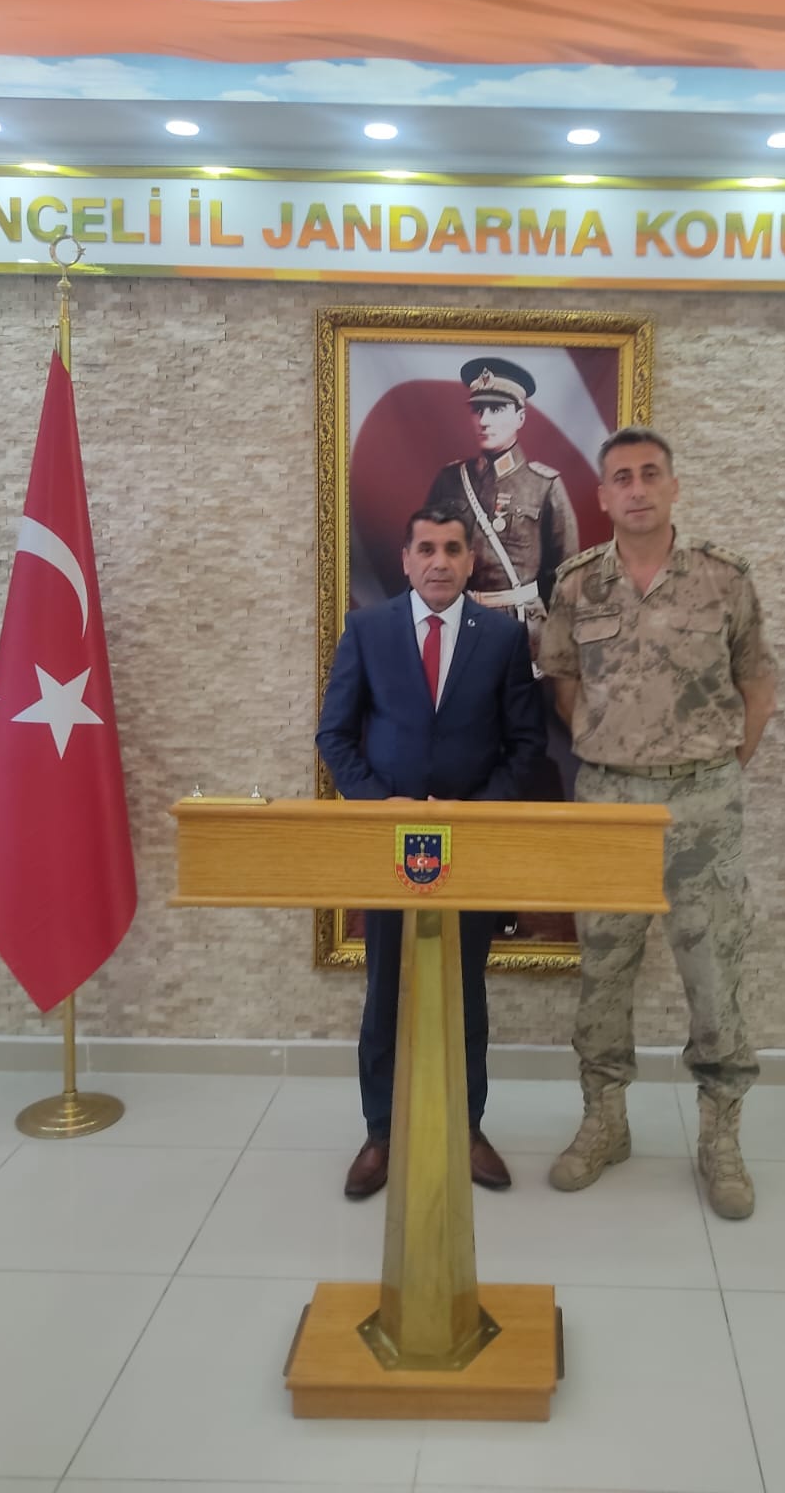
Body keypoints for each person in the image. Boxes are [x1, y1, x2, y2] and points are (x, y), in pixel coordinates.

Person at [537, 428, 778, 1220]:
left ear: (674, 486)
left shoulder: (723, 580)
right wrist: (622, 754)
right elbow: (564, 686)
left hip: (702, 803)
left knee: (714, 975)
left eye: (650, 474)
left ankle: (721, 1138)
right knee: (604, 969)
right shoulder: (578, 586)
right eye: (621, 478)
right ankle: (604, 1121)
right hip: (609, 805)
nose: (636, 489)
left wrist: (711, 767)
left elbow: (756, 685)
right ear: (602, 496)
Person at [316, 503, 546, 1200]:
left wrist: (474, 812)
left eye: (452, 548)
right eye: (427, 549)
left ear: (471, 560)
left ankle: (467, 1126)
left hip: (468, 845)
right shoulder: (368, 630)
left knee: (464, 990)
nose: (439, 561)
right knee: (386, 991)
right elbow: (335, 736)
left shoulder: (501, 637)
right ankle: (381, 1133)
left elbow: (526, 745)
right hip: (391, 846)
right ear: (407, 559)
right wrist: (377, 802)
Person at [427, 356, 580, 664]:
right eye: (478, 410)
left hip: (521, 633)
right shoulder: (450, 481)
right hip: (459, 626)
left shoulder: (543, 485)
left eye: (496, 409)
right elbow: (425, 558)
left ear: (520, 417)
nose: (484, 420)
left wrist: (559, 649)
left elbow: (566, 578)